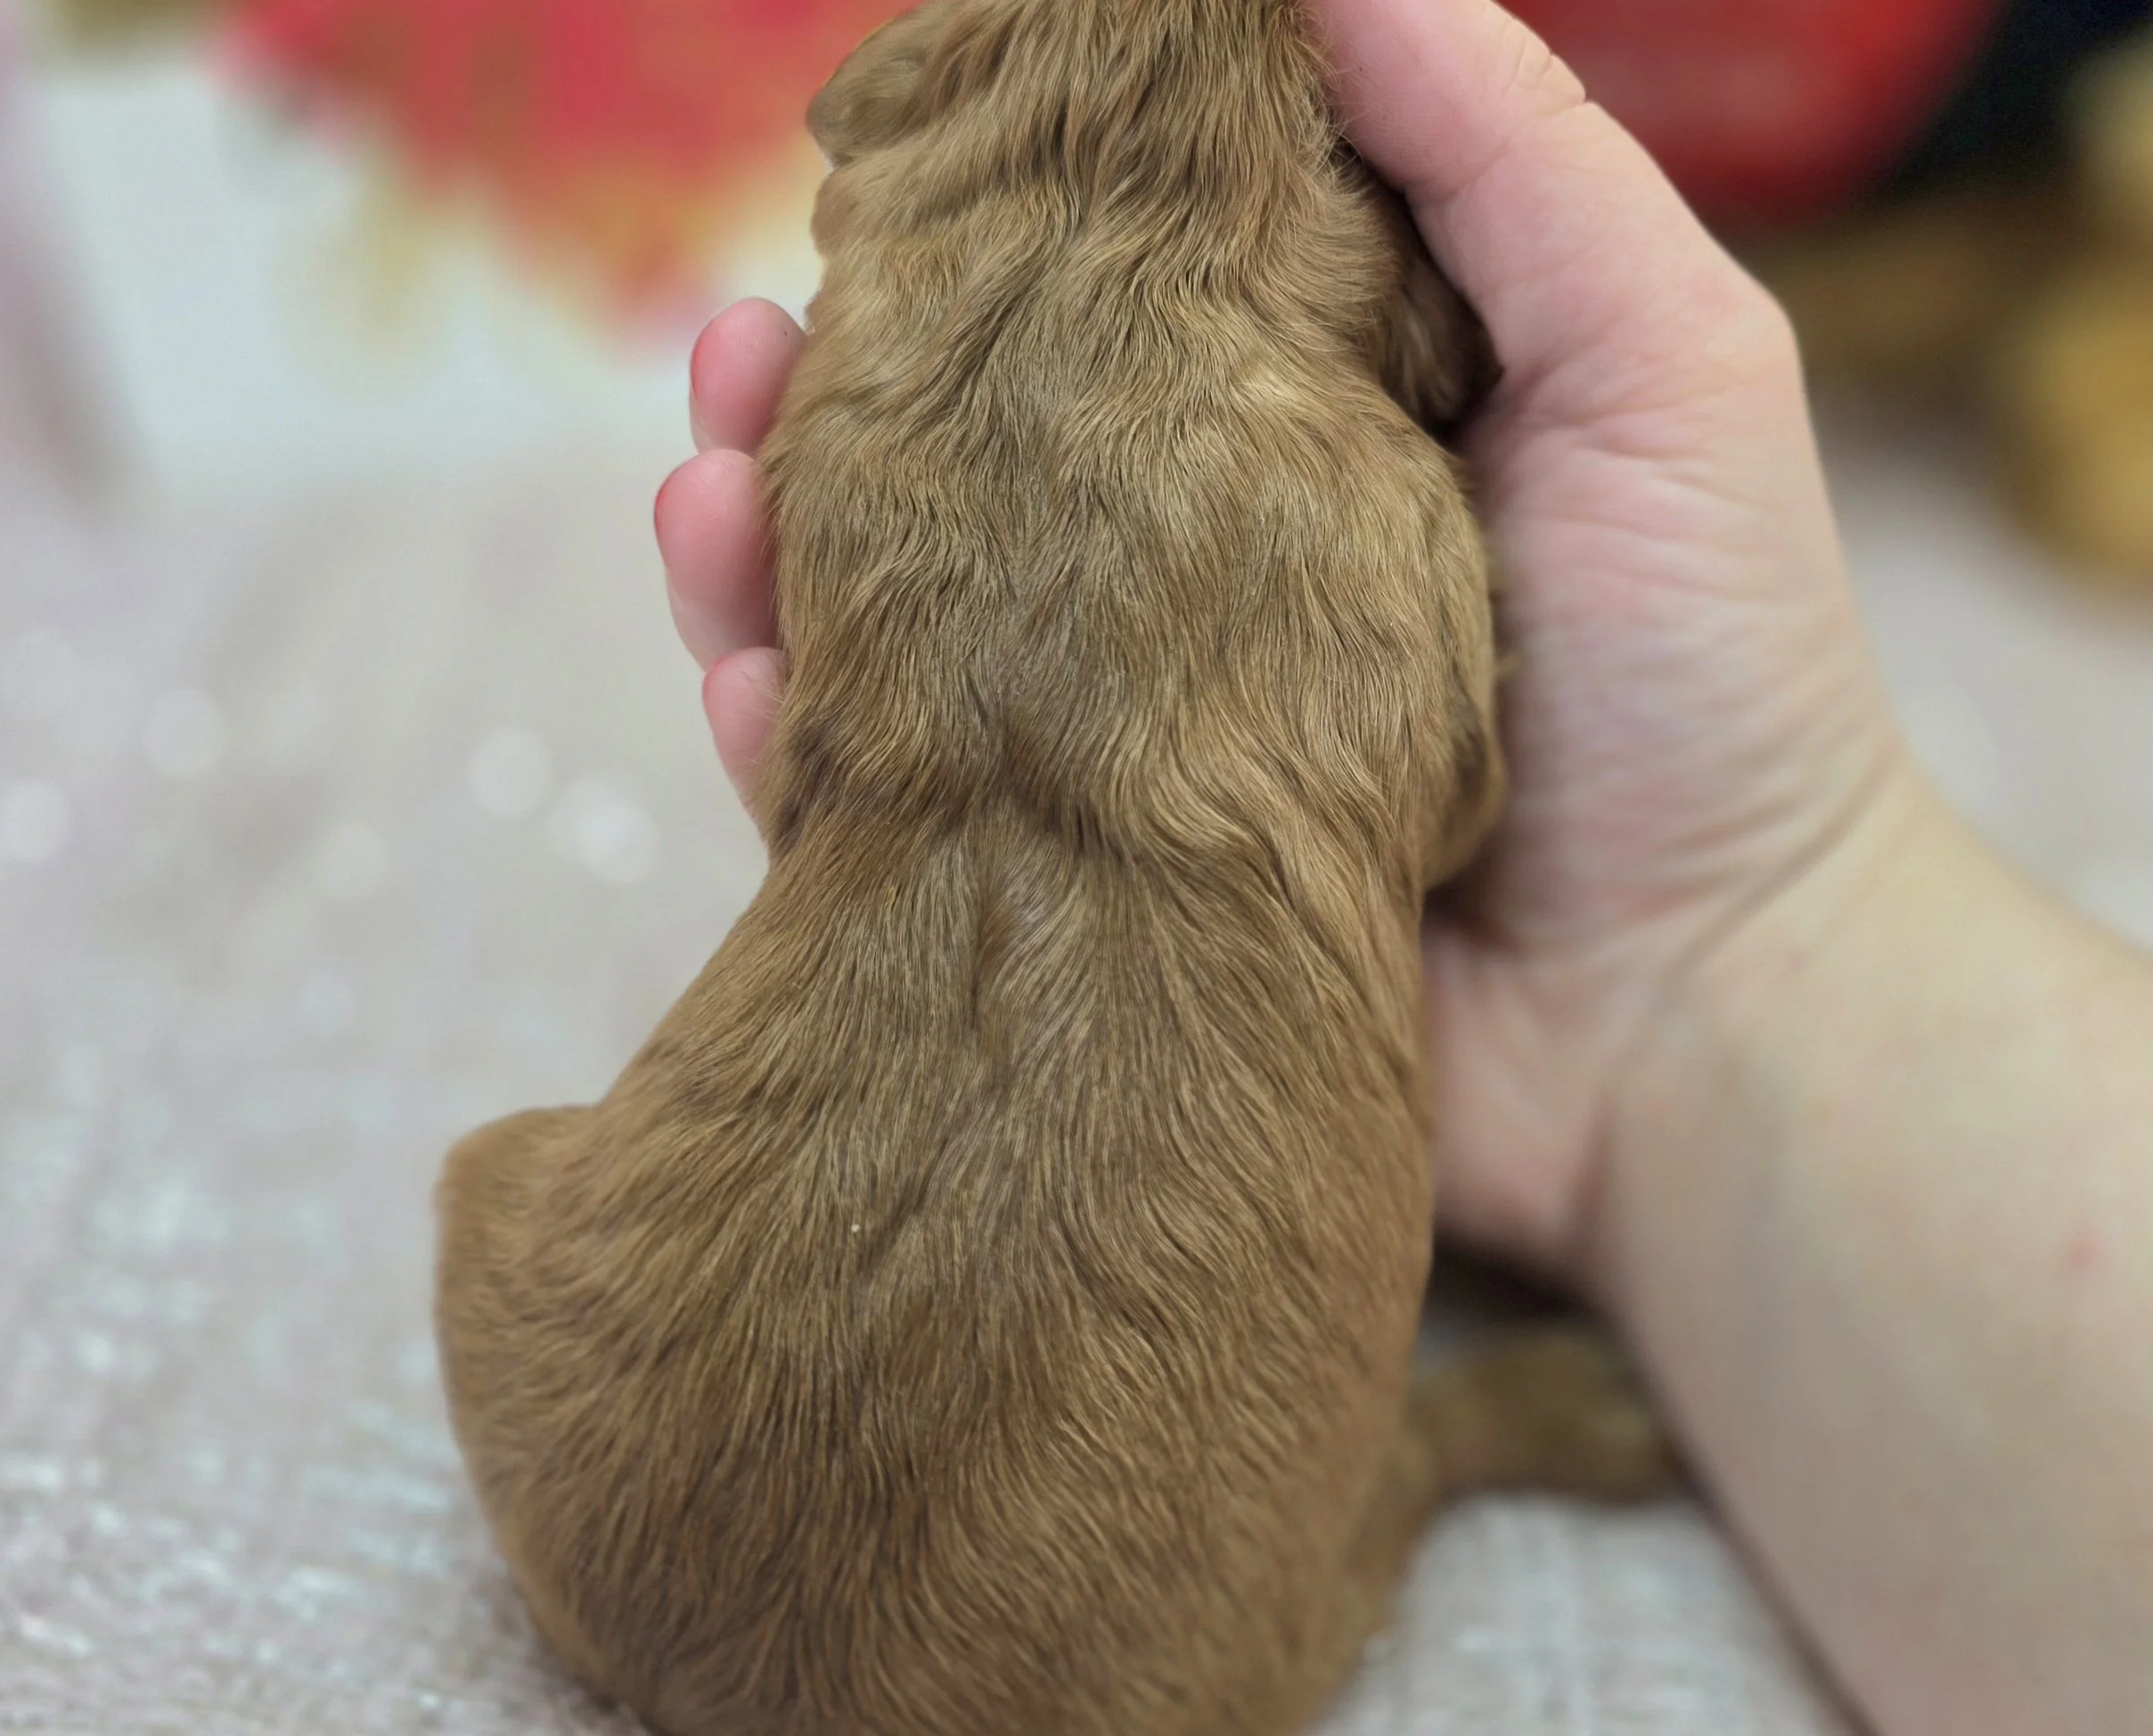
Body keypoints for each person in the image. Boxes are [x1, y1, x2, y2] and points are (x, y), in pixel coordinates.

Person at [651, 2, 2153, 1731]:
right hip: (1147, 1646)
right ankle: (1426, 1456)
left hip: (624, 1502)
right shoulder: (1366, 502)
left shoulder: (852, 428)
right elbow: (1446, 801)